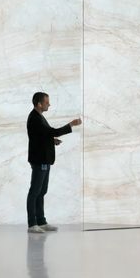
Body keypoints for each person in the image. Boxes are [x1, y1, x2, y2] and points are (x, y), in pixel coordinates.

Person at [26, 91, 82, 233]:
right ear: (39, 104)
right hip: (40, 160)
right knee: (35, 192)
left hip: (44, 159)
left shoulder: (39, 117)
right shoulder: (35, 118)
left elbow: (43, 136)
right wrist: (71, 124)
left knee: (41, 191)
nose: (49, 104)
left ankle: (41, 221)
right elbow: (53, 131)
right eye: (46, 102)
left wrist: (52, 141)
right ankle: (32, 224)